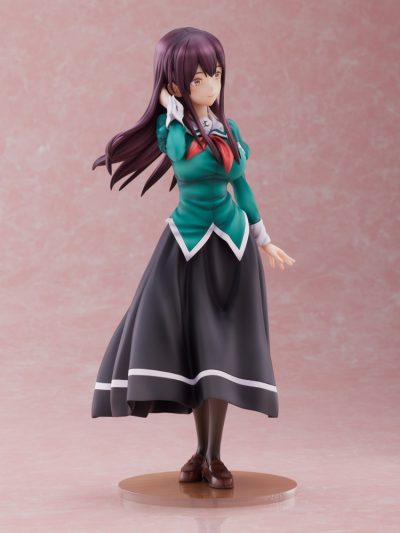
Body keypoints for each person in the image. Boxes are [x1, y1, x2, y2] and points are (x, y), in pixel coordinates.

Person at [91, 27, 295, 490]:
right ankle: (203, 453)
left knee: (221, 352)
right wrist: (171, 108)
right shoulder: (174, 130)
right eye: (199, 77)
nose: (212, 85)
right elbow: (183, 160)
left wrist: (263, 238)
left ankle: (211, 455)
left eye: (216, 73)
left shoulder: (230, 130)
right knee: (193, 348)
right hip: (186, 245)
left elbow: (241, 186)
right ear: (176, 83)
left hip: (233, 246)